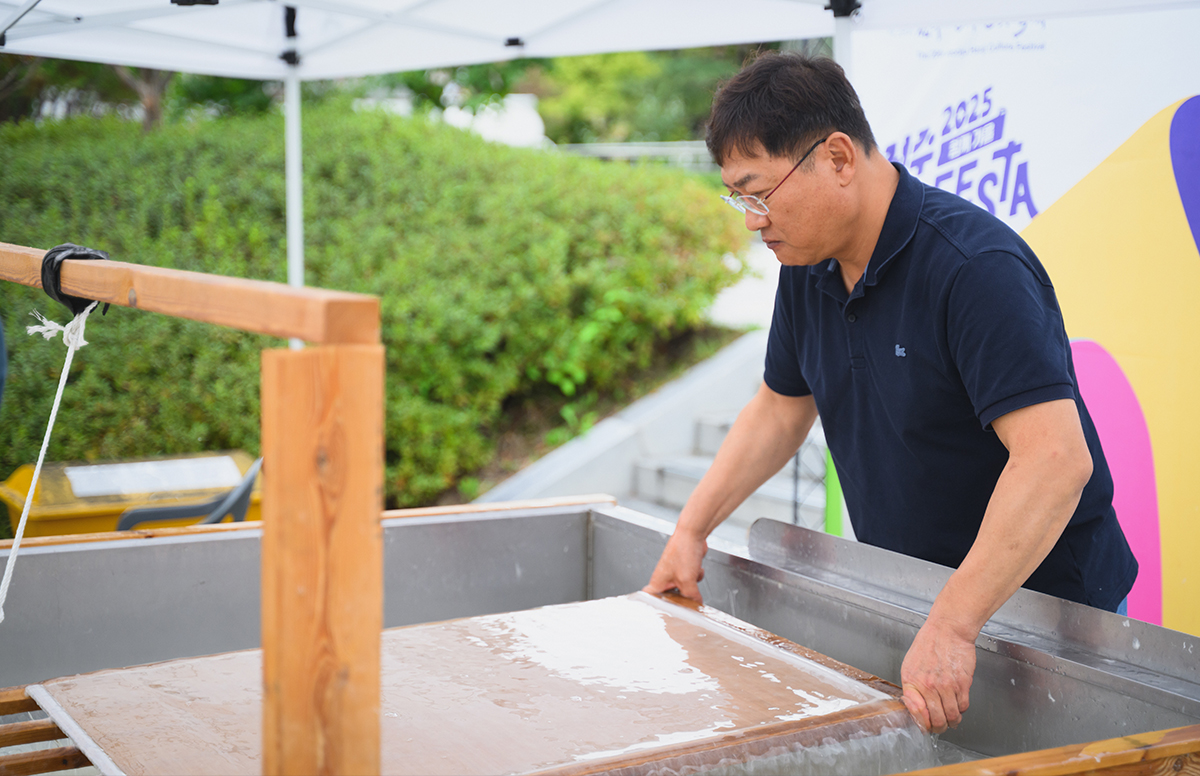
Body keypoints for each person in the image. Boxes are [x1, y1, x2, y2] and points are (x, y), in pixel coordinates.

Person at [642, 53, 1137, 735]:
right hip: (918, 597)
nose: (753, 220)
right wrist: (690, 530)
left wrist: (955, 624)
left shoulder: (973, 269)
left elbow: (1054, 461)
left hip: (1051, 615)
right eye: (740, 199)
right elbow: (779, 411)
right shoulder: (807, 268)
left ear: (838, 157)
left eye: (759, 192)